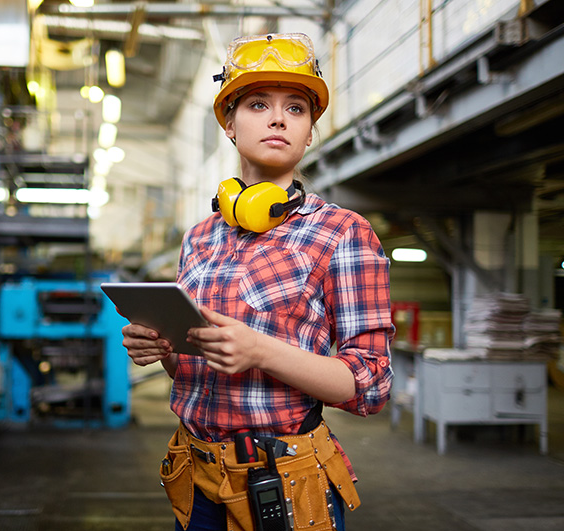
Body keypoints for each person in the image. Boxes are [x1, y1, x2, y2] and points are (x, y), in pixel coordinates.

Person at [121, 32, 393, 531]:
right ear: (229, 123)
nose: (277, 118)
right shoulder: (201, 237)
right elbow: (191, 370)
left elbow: (373, 384)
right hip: (195, 474)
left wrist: (262, 352)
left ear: (309, 131)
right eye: (258, 104)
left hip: (285, 486)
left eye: (296, 108)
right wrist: (161, 346)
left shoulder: (341, 233)